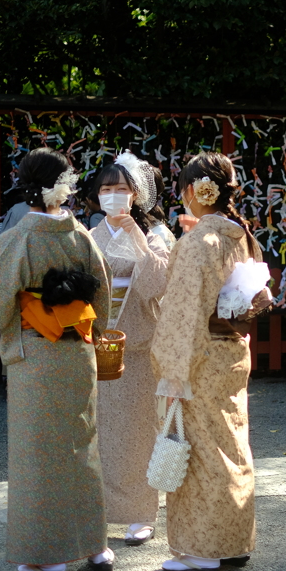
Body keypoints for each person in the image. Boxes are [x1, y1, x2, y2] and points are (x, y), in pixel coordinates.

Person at [0, 147, 114, 571]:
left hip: (35, 354)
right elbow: (102, 301)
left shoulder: (20, 238)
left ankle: (47, 553)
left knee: (38, 454)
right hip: (78, 351)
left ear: (28, 186)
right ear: (61, 187)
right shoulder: (82, 236)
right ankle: (94, 547)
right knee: (82, 445)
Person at [151, 152, 263, 571]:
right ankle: (234, 542)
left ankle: (203, 549)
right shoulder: (239, 235)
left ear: (193, 192)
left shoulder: (200, 242)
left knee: (203, 451)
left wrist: (172, 370)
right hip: (233, 350)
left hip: (198, 357)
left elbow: (182, 313)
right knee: (232, 445)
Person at [88, 151, 169, 548]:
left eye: (121, 189)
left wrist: (134, 235)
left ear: (136, 195)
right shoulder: (88, 235)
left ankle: (140, 512)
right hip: (95, 342)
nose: (114, 195)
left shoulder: (154, 236)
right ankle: (98, 510)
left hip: (137, 345)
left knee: (138, 430)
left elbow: (159, 285)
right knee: (98, 430)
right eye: (107, 189)